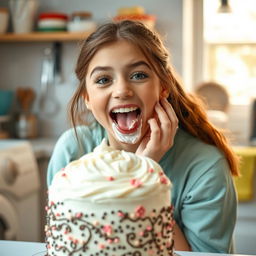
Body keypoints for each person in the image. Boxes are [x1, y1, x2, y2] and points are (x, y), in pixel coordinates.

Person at [47, 20, 239, 253]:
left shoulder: (206, 167)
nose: (121, 91)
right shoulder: (71, 151)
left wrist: (145, 171)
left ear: (164, 87)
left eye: (138, 75)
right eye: (103, 80)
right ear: (87, 97)